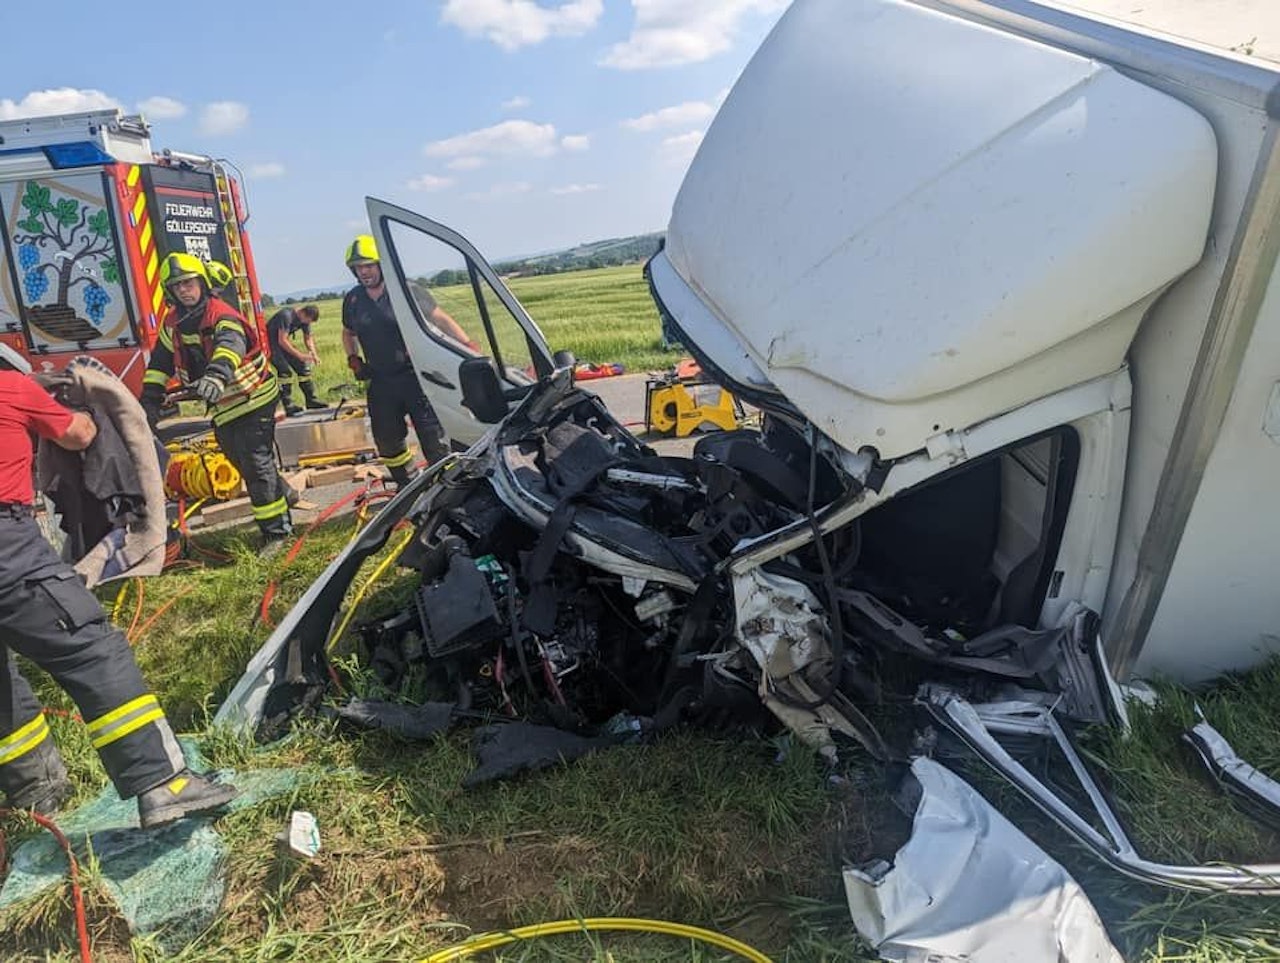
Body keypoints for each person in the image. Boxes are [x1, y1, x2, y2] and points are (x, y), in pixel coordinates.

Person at [0, 345, 235, 826]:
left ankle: (36, 792)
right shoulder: (10, 389)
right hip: (9, 550)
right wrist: (63, 405)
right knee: (91, 650)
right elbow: (79, 433)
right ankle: (163, 783)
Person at [140, 253, 293, 544]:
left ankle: (277, 533)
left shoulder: (220, 314)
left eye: (188, 282)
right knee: (238, 457)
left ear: (202, 282)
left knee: (255, 462)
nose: (184, 290)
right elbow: (160, 363)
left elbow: (230, 346)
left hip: (255, 395)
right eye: (177, 285)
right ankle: (284, 493)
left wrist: (216, 376)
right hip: (226, 405)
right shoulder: (173, 323)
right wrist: (149, 400)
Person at [341, 235, 473, 485]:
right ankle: (407, 483)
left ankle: (450, 487)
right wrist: (353, 357)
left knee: (434, 439)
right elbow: (348, 332)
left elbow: (440, 318)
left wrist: (468, 348)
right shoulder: (354, 300)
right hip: (380, 380)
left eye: (368, 265)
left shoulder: (406, 290)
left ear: (381, 264)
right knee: (387, 439)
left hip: (417, 377)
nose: (364, 271)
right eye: (358, 267)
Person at [267, 304, 327, 416]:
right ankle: (288, 405)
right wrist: (299, 355)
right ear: (303, 313)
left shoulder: (305, 320)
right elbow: (282, 340)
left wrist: (314, 354)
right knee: (285, 371)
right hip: (270, 344)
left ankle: (311, 400)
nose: (306, 324)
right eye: (307, 321)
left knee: (303, 367)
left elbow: (308, 338)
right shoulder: (286, 316)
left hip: (282, 343)